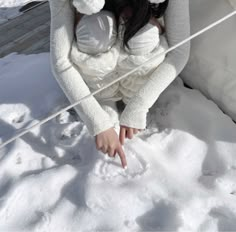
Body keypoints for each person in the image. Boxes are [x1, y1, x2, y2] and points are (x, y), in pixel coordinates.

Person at [48, 0, 190, 169]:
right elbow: (60, 61)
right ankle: (105, 100)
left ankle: (130, 96)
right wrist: (98, 123)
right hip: (98, 77)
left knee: (143, 36)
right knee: (96, 31)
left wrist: (139, 104)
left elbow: (179, 52)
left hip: (137, 77)